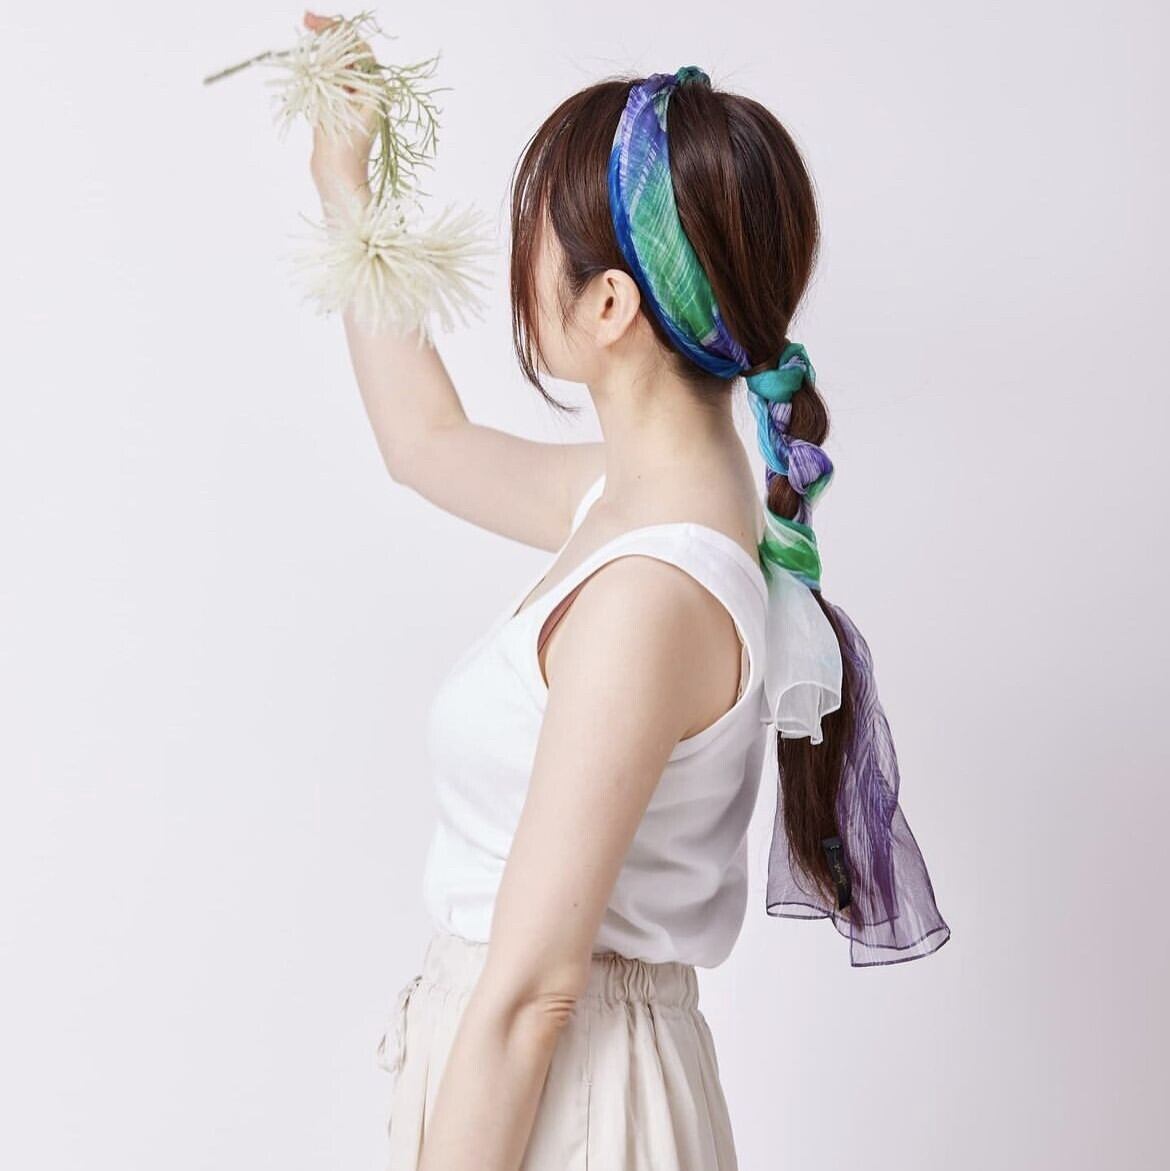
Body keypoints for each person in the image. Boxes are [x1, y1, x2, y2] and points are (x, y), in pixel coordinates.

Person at [303, 13, 949, 1171]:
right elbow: (426, 441)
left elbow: (533, 996)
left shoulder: (649, 591)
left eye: (530, 238)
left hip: (564, 1101)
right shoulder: (650, 498)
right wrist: (345, 183)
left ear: (608, 304)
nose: (516, 266)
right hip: (546, 1085)